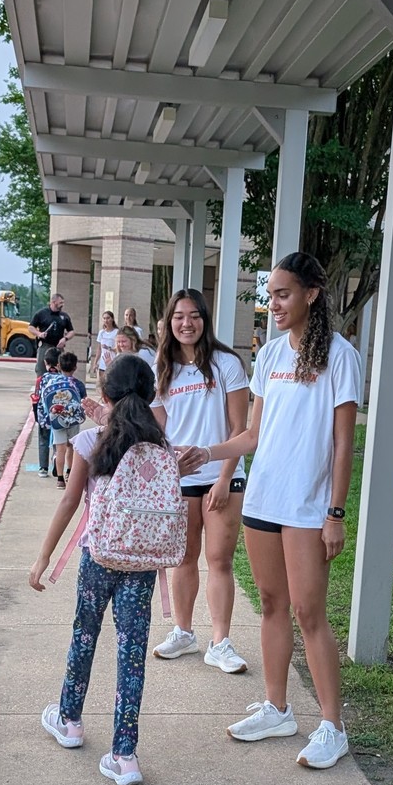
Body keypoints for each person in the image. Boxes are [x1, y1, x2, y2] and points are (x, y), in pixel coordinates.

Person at [177, 252, 361, 770]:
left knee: (309, 613)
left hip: (307, 506)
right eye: (270, 295)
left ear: (311, 295)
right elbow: (253, 434)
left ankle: (332, 725)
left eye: (283, 294)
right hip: (262, 500)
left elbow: (343, 444)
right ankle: (278, 708)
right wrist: (209, 453)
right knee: (273, 605)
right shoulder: (271, 355)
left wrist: (336, 513)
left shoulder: (340, 357)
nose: (273, 304)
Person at [29, 355, 173, 785]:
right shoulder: (160, 447)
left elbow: (70, 502)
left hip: (99, 556)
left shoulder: (91, 442)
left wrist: (43, 558)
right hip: (142, 562)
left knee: (84, 636)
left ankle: (70, 720)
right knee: (132, 655)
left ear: (107, 395)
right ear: (150, 397)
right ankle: (124, 755)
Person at [150, 288, 250, 674]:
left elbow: (240, 427)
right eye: (178, 316)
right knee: (184, 558)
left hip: (221, 475)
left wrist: (224, 477)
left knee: (219, 560)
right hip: (180, 480)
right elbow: (159, 430)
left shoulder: (226, 364)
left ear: (205, 320)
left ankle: (220, 642)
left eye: (194, 316)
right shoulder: (163, 368)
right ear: (169, 322)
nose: (186, 323)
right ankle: (183, 631)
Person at [45, 351, 87, 490]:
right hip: (73, 420)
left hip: (57, 420)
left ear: (58, 366)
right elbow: (83, 401)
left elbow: (46, 403)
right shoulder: (78, 384)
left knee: (60, 449)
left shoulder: (52, 382)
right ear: (75, 367)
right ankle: (70, 472)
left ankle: (60, 479)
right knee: (72, 447)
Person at [31, 347, 61, 478]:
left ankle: (43, 468)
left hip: (44, 416)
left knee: (43, 440)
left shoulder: (41, 379)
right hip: (59, 417)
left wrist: (36, 415)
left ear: (45, 363)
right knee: (58, 441)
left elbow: (36, 398)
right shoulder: (62, 379)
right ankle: (57, 461)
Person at [30, 294, 75, 360]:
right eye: (60, 303)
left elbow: (71, 331)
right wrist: (39, 334)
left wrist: (65, 338)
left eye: (63, 302)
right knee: (41, 368)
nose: (62, 305)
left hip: (59, 346)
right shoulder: (41, 313)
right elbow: (31, 327)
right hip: (45, 345)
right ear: (54, 302)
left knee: (60, 367)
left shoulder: (65, 316)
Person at [92, 310, 118, 392]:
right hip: (102, 362)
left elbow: (118, 348)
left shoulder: (116, 332)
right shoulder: (101, 332)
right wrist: (95, 363)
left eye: (108, 318)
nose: (106, 320)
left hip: (112, 360)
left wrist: (109, 348)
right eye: (104, 318)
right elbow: (99, 349)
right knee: (102, 383)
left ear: (112, 319)